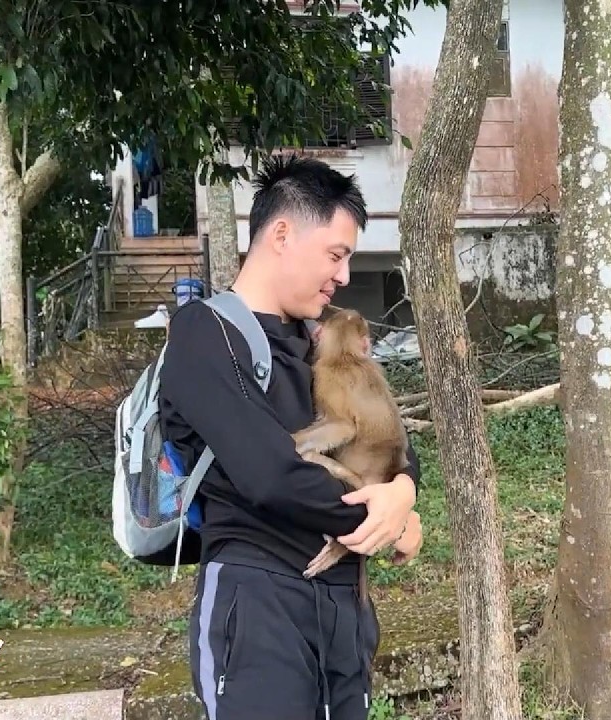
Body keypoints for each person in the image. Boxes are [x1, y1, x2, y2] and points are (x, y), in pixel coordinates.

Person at [158, 154, 424, 720]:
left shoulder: (320, 342)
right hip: (258, 604)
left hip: (345, 606)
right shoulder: (204, 335)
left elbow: (391, 442)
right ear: (282, 234)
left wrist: (403, 493)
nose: (344, 275)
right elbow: (271, 475)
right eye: (336, 254)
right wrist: (386, 521)